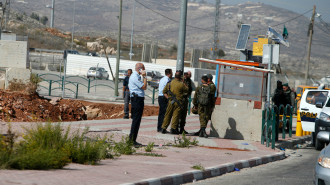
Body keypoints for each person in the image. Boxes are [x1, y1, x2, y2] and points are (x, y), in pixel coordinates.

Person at [128, 63, 147, 146]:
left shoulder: (137, 76)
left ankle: (133, 139)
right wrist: (145, 77)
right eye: (143, 69)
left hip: (138, 99)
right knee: (136, 120)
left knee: (137, 120)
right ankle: (131, 140)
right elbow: (144, 87)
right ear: (139, 69)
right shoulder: (135, 77)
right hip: (136, 100)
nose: (144, 71)